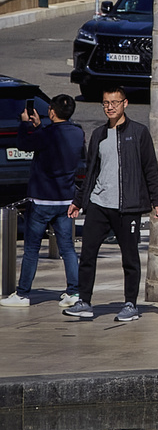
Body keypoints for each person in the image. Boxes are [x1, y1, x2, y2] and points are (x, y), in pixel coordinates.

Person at [63, 88, 158, 322]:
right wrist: (79, 201)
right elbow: (91, 172)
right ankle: (84, 301)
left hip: (127, 207)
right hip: (98, 203)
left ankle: (130, 304)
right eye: (106, 103)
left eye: (115, 102)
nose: (110, 107)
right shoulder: (98, 134)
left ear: (125, 103)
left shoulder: (139, 132)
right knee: (87, 254)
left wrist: (156, 200)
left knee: (130, 258)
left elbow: (150, 168)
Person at [0, 95, 84, 309]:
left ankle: (23, 293)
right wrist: (39, 127)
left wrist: (25, 123)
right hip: (65, 199)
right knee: (68, 249)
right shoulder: (77, 133)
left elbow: (23, 144)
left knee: (31, 249)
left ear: (52, 112)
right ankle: (74, 291)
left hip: (41, 200)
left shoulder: (47, 134)